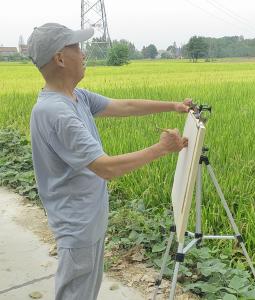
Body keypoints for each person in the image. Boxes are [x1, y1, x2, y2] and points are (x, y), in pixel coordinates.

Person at [27, 23, 190, 300]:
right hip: (77, 225)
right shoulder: (57, 113)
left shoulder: (76, 97)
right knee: (76, 294)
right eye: (77, 47)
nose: (84, 54)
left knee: (85, 291)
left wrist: (173, 105)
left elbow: (123, 106)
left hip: (88, 218)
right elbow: (106, 167)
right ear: (60, 58)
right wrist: (161, 148)